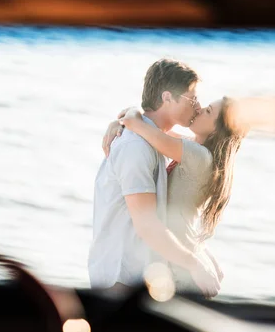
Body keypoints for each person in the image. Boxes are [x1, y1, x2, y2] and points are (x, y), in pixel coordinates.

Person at [88, 58, 221, 297]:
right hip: (120, 278)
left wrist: (129, 116)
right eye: (193, 99)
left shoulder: (153, 139)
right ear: (168, 98)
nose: (197, 107)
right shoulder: (136, 147)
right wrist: (195, 265)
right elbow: (147, 225)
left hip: (138, 278)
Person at [103, 96, 245, 291]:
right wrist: (121, 122)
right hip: (179, 258)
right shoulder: (196, 149)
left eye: (209, 111)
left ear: (216, 130)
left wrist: (125, 121)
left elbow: (139, 125)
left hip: (182, 269)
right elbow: (152, 127)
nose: (201, 109)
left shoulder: (199, 156)